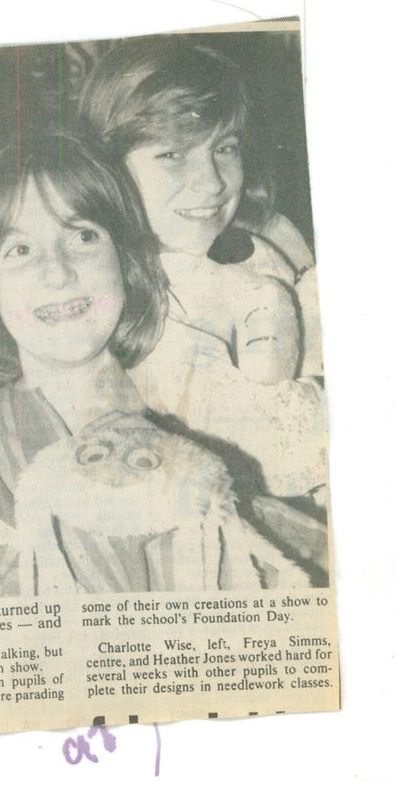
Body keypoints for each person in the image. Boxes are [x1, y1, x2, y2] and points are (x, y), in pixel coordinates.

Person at [0, 135, 309, 601]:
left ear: (126, 263)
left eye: (83, 237)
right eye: (19, 250)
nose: (58, 272)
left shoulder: (218, 434)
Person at [78, 38, 327, 499]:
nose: (212, 182)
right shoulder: (109, 291)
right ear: (109, 167)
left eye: (225, 148)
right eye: (173, 155)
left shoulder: (272, 238)